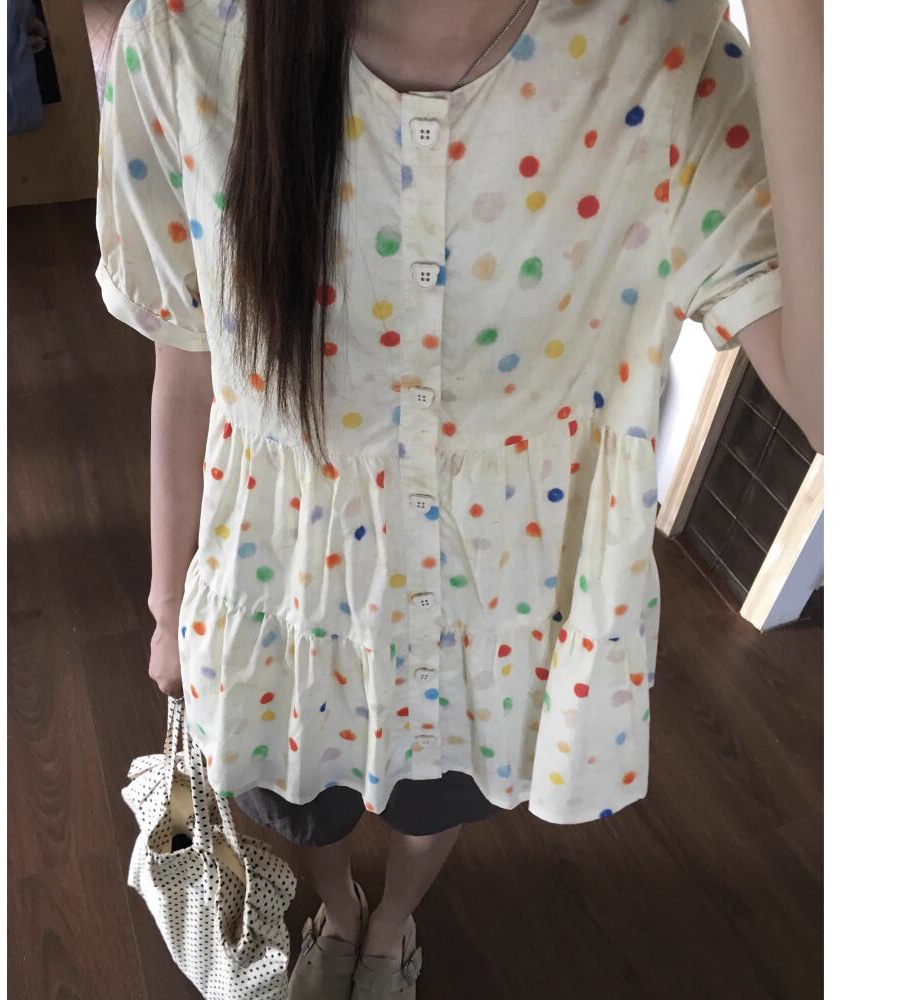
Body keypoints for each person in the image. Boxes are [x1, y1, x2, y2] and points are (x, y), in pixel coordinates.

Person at [94, 1, 822, 996]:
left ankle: (391, 921)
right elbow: (186, 364)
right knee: (306, 809)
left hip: (490, 619)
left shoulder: (665, 54)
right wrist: (167, 607)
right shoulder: (185, 35)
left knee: (435, 803)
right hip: (281, 600)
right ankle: (338, 909)